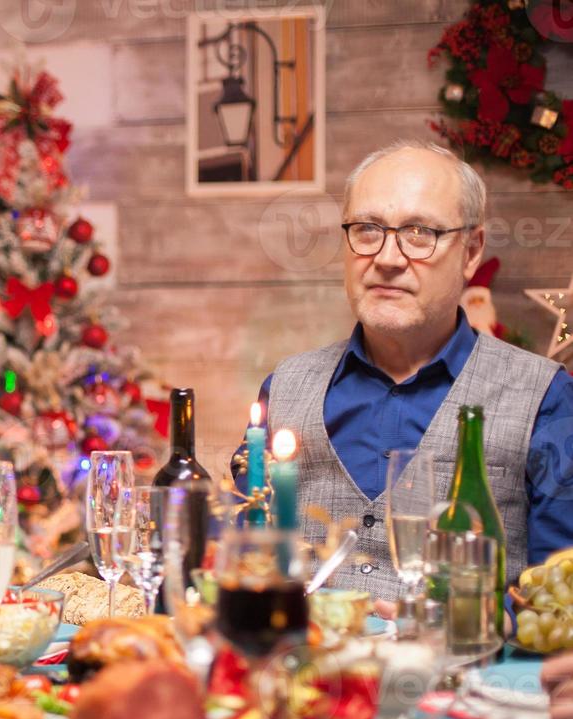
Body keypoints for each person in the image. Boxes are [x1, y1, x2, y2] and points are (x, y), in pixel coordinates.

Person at [233, 138, 573, 601]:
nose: (388, 259)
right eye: (368, 229)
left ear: (471, 251)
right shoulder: (286, 387)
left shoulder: (546, 397)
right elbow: (240, 555)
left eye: (420, 233)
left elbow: (561, 599)